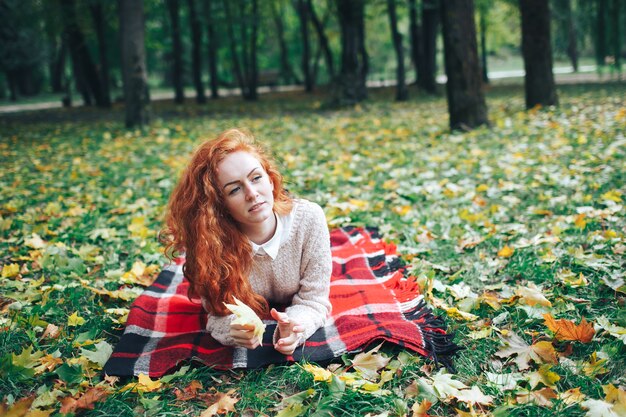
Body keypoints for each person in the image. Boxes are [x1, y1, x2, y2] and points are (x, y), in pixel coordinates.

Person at [162, 128, 332, 355]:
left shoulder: (309, 219)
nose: (252, 193)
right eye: (234, 189)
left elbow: (314, 301)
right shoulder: (209, 244)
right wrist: (234, 330)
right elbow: (217, 314)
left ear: (271, 180)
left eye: (256, 178)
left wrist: (294, 329)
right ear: (218, 205)